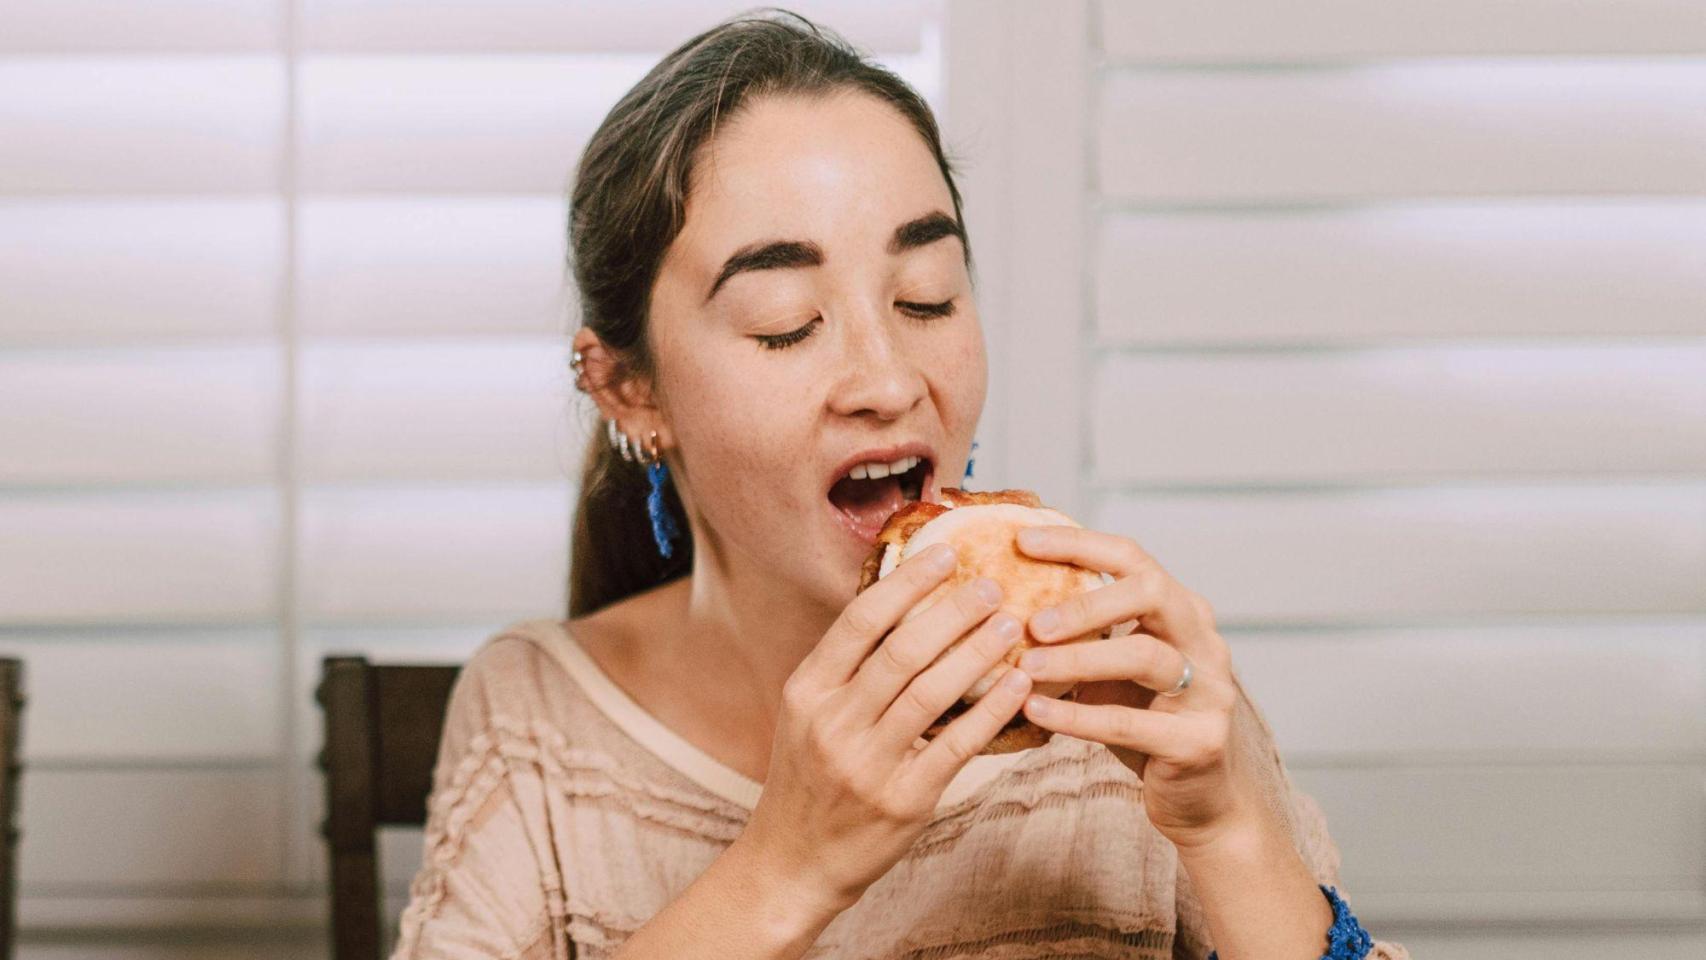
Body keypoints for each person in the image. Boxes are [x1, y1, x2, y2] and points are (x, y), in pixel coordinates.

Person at [390, 9, 1409, 960]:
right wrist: (786, 868)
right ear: (627, 388)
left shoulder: (1136, 694)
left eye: (925, 298)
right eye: (784, 321)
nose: (887, 382)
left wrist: (1230, 831)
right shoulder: (535, 714)